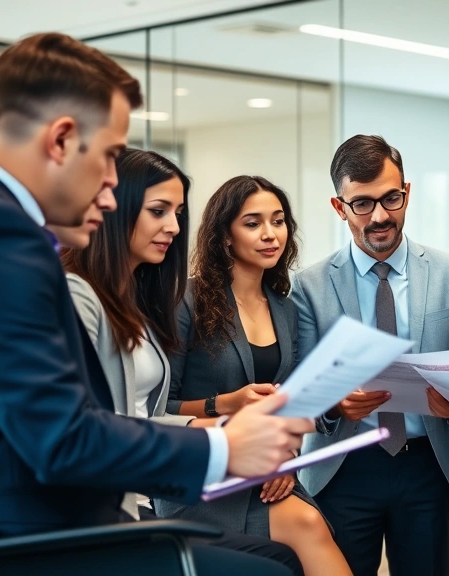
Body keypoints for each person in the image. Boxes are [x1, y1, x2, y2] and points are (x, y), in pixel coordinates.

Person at [0, 32, 311, 576]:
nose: (111, 187)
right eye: (110, 156)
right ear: (62, 139)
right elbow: (64, 440)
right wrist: (224, 452)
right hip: (37, 542)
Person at [51, 150, 306, 575]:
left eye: (177, 213)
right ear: (114, 210)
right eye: (158, 211)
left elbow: (146, 417)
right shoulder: (81, 297)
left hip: (136, 501)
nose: (173, 226)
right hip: (97, 514)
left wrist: (233, 433)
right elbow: (92, 429)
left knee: (282, 557)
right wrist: (222, 434)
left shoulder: (135, 304)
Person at [293, 134, 449, 576]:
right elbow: (300, 387)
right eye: (362, 203)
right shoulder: (310, 286)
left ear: (407, 193)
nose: (380, 216)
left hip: (427, 463)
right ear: (339, 207)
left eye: (391, 198)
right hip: (343, 466)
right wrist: (336, 404)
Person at [155, 175, 351, 576]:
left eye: (278, 221)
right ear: (225, 236)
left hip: (268, 473)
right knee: (308, 525)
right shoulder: (185, 301)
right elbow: (159, 408)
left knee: (309, 531)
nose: (270, 234)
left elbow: (290, 404)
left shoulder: (284, 308)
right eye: (253, 223)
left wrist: (288, 455)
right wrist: (225, 404)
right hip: (204, 477)